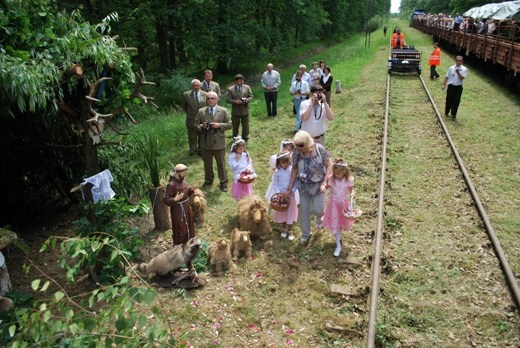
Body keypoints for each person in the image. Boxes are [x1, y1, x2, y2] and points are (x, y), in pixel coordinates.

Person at [286, 130, 332, 246]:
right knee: (304, 211)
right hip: (304, 186)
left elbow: (328, 165)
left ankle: (319, 219)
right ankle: (306, 234)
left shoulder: (319, 149)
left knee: (318, 210)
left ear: (307, 142)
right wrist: (290, 186)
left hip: (318, 185)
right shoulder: (296, 153)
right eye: (296, 145)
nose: (298, 148)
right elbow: (295, 169)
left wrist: (325, 182)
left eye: (301, 145)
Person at [196, 91, 233, 192]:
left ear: (216, 99)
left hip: (218, 143)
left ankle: (223, 182)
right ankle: (208, 180)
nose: (210, 100)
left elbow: (230, 124)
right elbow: (195, 126)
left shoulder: (223, 110)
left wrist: (219, 125)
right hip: (205, 143)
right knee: (207, 163)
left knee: (221, 163)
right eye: (208, 98)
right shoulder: (201, 111)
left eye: (212, 98)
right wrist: (202, 126)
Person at [322, 159, 355, 257]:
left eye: (339, 173)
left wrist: (352, 193)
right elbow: (327, 186)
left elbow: (351, 190)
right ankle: (338, 245)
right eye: (335, 173)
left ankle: (338, 235)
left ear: (344, 171)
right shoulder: (332, 179)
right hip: (334, 205)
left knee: (341, 222)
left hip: (343, 204)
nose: (336, 175)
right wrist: (324, 187)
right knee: (335, 222)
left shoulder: (348, 180)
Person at [163, 164, 196, 245]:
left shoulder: (183, 181)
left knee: (189, 227)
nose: (185, 174)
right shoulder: (171, 185)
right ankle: (180, 248)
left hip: (186, 208)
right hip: (178, 211)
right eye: (184, 173)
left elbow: (184, 194)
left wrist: (190, 190)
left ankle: (189, 246)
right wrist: (175, 199)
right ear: (178, 173)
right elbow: (165, 200)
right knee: (181, 231)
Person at [270, 151, 298, 241]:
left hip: (290, 195)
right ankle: (284, 229)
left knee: (290, 213)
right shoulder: (277, 172)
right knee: (282, 212)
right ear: (279, 162)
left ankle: (290, 230)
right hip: (281, 196)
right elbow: (275, 184)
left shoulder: (291, 170)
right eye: (283, 163)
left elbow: (296, 182)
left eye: (287, 162)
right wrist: (279, 193)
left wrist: (291, 191)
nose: (285, 164)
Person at [181, 79, 207, 156]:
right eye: (194, 85)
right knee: (192, 136)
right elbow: (184, 106)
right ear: (192, 86)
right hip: (191, 118)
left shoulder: (205, 94)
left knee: (202, 135)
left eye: (197, 85)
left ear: (200, 86)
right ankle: (193, 151)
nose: (196, 87)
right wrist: (190, 113)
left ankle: (201, 150)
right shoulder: (186, 95)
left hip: (202, 119)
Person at [227, 74, 253, 142]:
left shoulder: (247, 87)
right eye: (238, 81)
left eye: (241, 81)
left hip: (245, 109)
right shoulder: (231, 89)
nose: (240, 82)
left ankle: (245, 137)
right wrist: (235, 101)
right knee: (235, 125)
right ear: (235, 81)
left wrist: (246, 100)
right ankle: (235, 137)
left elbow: (250, 96)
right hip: (235, 110)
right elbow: (228, 99)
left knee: (245, 125)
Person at [228, 136, 255, 201]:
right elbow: (232, 168)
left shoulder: (245, 154)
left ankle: (247, 200)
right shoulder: (232, 156)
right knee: (239, 194)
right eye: (240, 149)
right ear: (235, 148)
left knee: (247, 194)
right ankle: (239, 201)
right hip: (238, 178)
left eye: (243, 148)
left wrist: (248, 168)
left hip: (245, 176)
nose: (242, 150)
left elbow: (249, 163)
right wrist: (236, 160)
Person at [441, 55, 467, 120]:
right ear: (455, 61)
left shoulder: (464, 69)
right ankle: (447, 111)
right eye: (457, 60)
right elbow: (447, 77)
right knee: (449, 100)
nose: (458, 62)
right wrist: (444, 85)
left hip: (458, 87)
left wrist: (458, 72)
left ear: (462, 61)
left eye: (460, 61)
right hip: (451, 87)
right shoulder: (451, 68)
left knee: (456, 101)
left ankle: (453, 115)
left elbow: (461, 78)